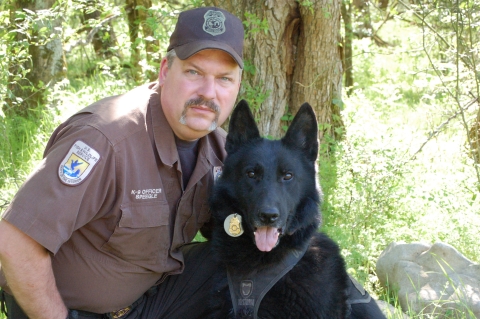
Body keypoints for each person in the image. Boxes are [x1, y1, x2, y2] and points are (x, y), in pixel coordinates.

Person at [0, 6, 385, 319]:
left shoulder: (221, 150)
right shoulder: (106, 139)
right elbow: (14, 240)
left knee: (268, 259)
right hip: (69, 311)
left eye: (224, 79)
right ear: (166, 71)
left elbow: (246, 225)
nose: (208, 92)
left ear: (237, 86)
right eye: (194, 72)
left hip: (155, 298)